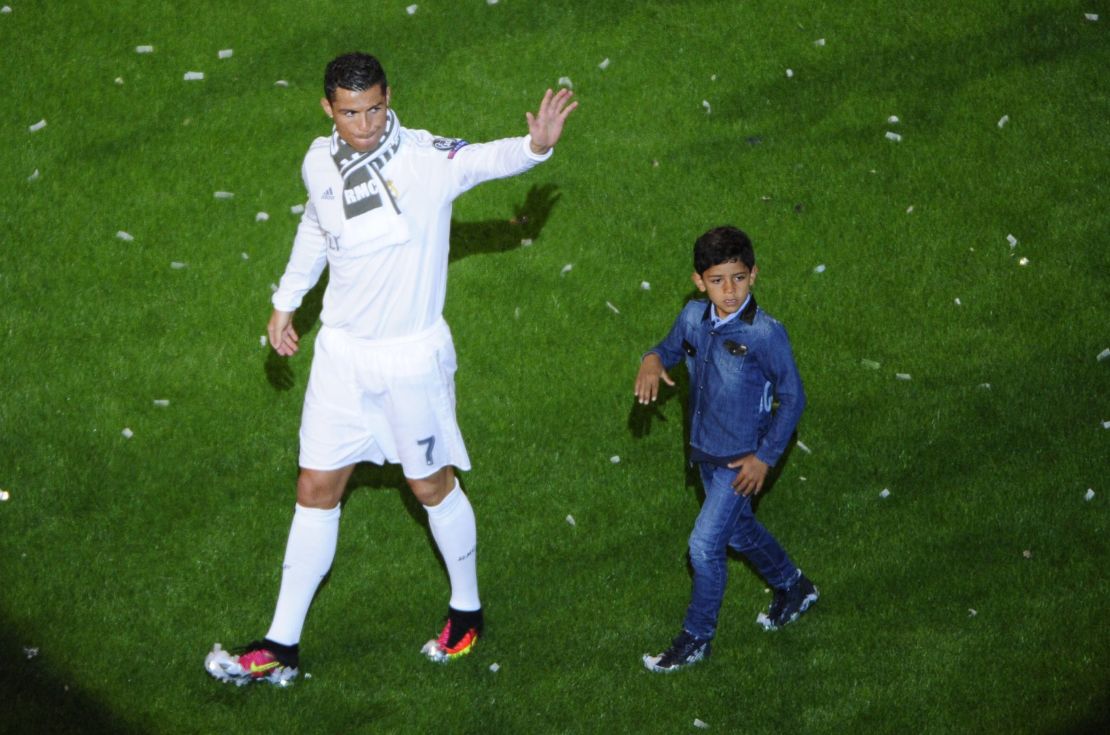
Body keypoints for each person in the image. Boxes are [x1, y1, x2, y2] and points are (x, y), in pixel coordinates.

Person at [205, 52, 576, 685]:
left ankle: (468, 611)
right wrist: (286, 300)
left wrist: (534, 148)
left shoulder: (426, 158)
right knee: (315, 489)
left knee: (430, 486)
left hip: (410, 362)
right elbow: (316, 226)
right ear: (329, 110)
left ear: (388, 97)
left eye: (375, 107)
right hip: (342, 361)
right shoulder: (317, 160)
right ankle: (281, 645)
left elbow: (482, 159)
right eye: (351, 112)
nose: (367, 123)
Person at [634, 225, 817, 673]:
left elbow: (793, 398)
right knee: (737, 533)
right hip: (704, 453)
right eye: (717, 280)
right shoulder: (693, 318)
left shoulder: (766, 335)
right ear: (700, 282)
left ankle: (697, 638)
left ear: (753, 274)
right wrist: (652, 360)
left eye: (738, 277)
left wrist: (765, 457)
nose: (729, 290)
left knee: (703, 547)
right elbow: (668, 348)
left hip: (740, 462)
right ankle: (794, 586)